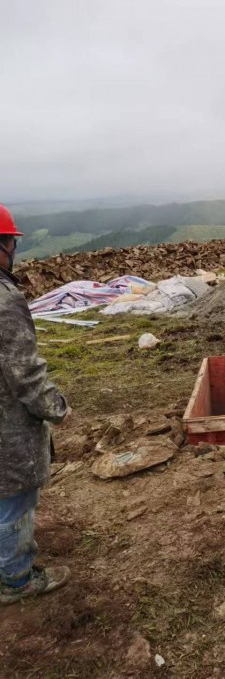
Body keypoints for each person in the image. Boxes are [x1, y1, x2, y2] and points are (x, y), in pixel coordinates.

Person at [0, 203, 71, 605]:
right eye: (10, 240)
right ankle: (16, 579)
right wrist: (55, 406)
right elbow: (23, 374)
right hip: (6, 427)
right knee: (14, 500)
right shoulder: (4, 299)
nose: (13, 248)